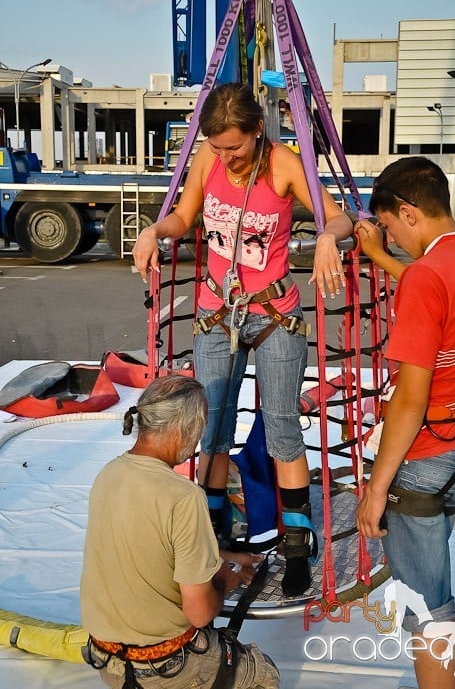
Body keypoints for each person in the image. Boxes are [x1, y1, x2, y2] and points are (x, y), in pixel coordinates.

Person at [132, 82, 353, 597]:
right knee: (211, 427)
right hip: (216, 312)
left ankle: (298, 544)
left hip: (275, 313)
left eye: (235, 146)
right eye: (217, 146)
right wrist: (153, 230)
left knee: (281, 427)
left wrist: (325, 236)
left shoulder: (284, 164)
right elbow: (184, 215)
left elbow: (338, 215)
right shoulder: (208, 162)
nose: (226, 156)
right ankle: (212, 531)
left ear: (257, 130)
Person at [354, 157, 455, 689]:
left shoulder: (427, 276)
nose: (390, 238)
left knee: (429, 604)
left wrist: (376, 488)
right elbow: (438, 296)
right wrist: (382, 257)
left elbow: (409, 400)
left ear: (408, 211)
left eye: (388, 227)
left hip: (428, 451)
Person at [80, 374, 280, 689]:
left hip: (109, 661)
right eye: (199, 430)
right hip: (165, 668)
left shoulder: (109, 473)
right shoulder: (183, 496)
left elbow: (149, 541)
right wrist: (227, 578)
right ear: (183, 429)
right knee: (264, 675)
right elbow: (199, 613)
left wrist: (221, 554)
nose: (198, 439)